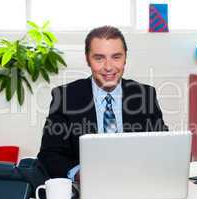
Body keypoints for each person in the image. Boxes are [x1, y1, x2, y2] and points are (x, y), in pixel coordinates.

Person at [37, 25, 168, 182]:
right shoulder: (65, 97)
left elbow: (162, 145)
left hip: (137, 182)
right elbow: (49, 154)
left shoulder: (145, 95)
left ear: (125, 57)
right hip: (88, 188)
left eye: (116, 57)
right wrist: (79, 174)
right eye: (99, 58)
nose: (108, 67)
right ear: (87, 59)